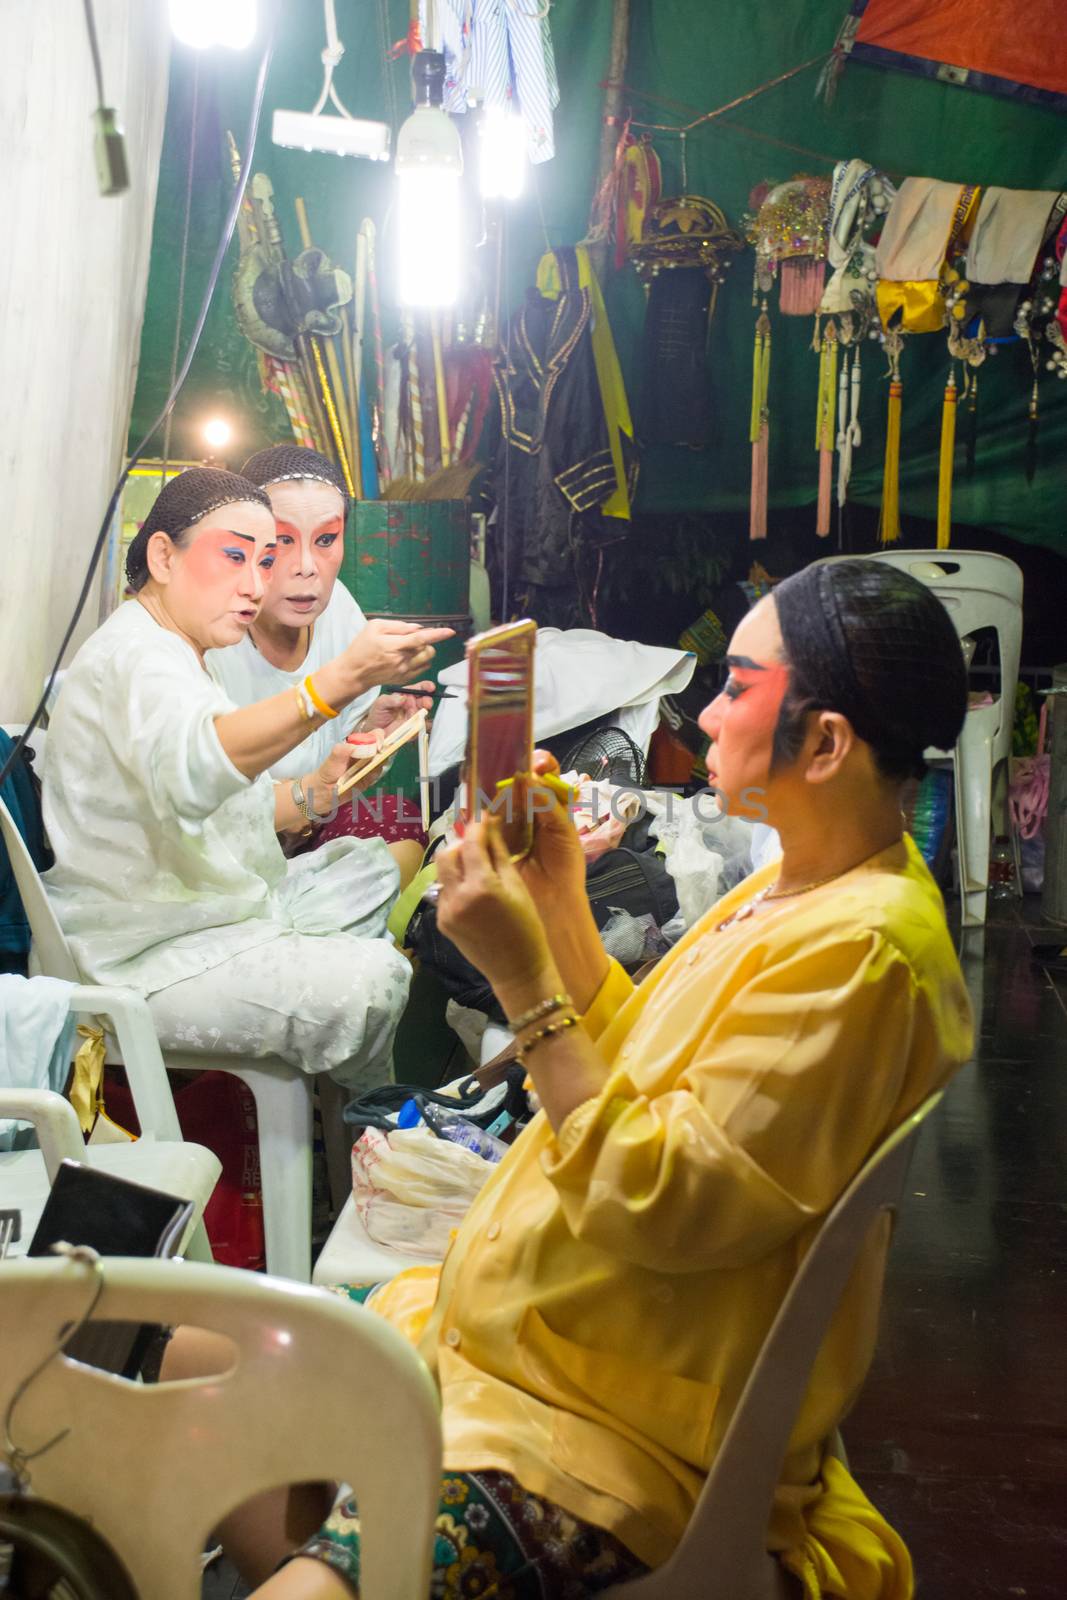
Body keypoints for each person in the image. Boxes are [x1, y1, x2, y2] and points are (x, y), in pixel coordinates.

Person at [172, 558, 974, 1598]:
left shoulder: (863, 953)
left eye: (737, 685)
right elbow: (650, 1066)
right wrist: (558, 914)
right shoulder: (799, 881)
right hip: (522, 1357)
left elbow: (660, 1203)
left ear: (822, 743)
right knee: (194, 1361)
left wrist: (523, 982)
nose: (708, 710)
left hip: (602, 1434)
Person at [43, 467, 451, 1090]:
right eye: (235, 556)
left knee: (368, 865)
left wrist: (323, 786)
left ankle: (332, 1092)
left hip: (219, 899)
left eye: (264, 561)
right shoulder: (138, 658)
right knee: (377, 980)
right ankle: (373, 1134)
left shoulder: (178, 647)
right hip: (149, 951)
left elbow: (235, 804)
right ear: (163, 556)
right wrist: (335, 684)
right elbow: (199, 770)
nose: (256, 584)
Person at [207, 445, 432, 858]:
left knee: (399, 822)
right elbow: (203, 796)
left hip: (309, 828)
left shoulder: (339, 610)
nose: (306, 566)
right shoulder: (211, 634)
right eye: (282, 541)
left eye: (326, 539)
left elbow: (333, 777)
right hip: (225, 843)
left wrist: (369, 729)